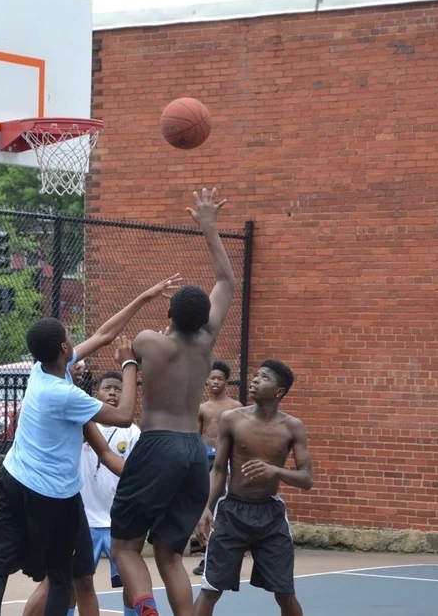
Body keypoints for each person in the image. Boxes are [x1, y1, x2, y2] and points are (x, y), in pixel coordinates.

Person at [0, 274, 180, 616]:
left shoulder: (42, 371)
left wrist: (146, 295)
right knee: (61, 578)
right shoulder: (65, 394)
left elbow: (103, 336)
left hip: (12, 481)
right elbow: (125, 413)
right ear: (63, 349)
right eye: (69, 337)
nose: (73, 340)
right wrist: (129, 364)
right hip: (52, 495)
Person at [111, 187, 236, 616]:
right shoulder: (206, 344)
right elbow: (226, 281)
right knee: (169, 555)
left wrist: (127, 362)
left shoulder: (147, 342)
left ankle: (145, 606)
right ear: (205, 320)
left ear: (169, 316)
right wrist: (208, 226)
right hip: (193, 452)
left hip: (158, 444)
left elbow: (128, 346)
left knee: (125, 546)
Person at [194, 360, 314, 616]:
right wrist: (206, 506)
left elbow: (307, 479)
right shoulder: (232, 419)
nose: (255, 380)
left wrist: (275, 471)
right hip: (231, 511)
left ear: (279, 391)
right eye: (256, 375)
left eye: (264, 377)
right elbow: (217, 470)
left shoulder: (292, 427)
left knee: (285, 591)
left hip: (270, 515)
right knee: (211, 589)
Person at [22, 371, 142, 616]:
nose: (112, 392)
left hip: (117, 519)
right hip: (82, 518)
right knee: (70, 581)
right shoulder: (80, 423)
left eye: (118, 389)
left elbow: (128, 467)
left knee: (130, 581)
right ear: (95, 392)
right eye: (107, 387)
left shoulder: (132, 432)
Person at [192, 360, 241, 576]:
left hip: (226, 462)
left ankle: (222, 555)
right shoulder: (202, 408)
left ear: (226, 381)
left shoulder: (236, 407)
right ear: (206, 380)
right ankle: (206, 554)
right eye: (212, 378)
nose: (215, 382)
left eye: (219, 378)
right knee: (204, 503)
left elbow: (241, 435)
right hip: (205, 459)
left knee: (222, 506)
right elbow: (196, 435)